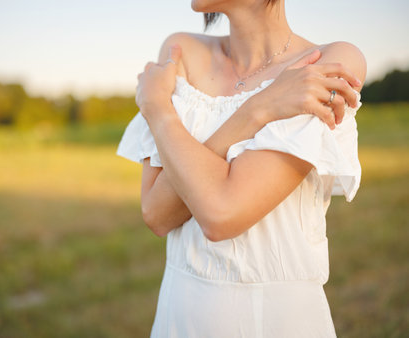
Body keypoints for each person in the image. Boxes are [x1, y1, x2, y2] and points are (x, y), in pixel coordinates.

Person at [117, 0, 367, 336]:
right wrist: (259, 109)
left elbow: (221, 213)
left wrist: (158, 109)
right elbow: (157, 213)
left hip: (278, 322)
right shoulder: (180, 51)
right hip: (180, 315)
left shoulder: (329, 62)